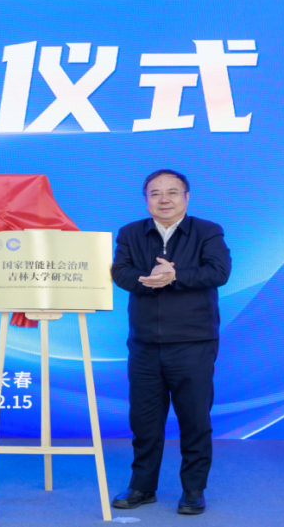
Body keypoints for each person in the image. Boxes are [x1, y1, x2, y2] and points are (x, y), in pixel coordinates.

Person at [110, 169, 231, 515]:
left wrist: (175, 276)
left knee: (194, 419)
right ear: (146, 199)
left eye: (172, 192)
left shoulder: (207, 231)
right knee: (144, 420)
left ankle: (193, 489)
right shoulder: (131, 233)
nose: (164, 200)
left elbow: (219, 272)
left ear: (186, 198)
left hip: (193, 342)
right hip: (144, 344)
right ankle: (142, 486)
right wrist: (145, 278)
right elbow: (120, 272)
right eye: (155, 193)